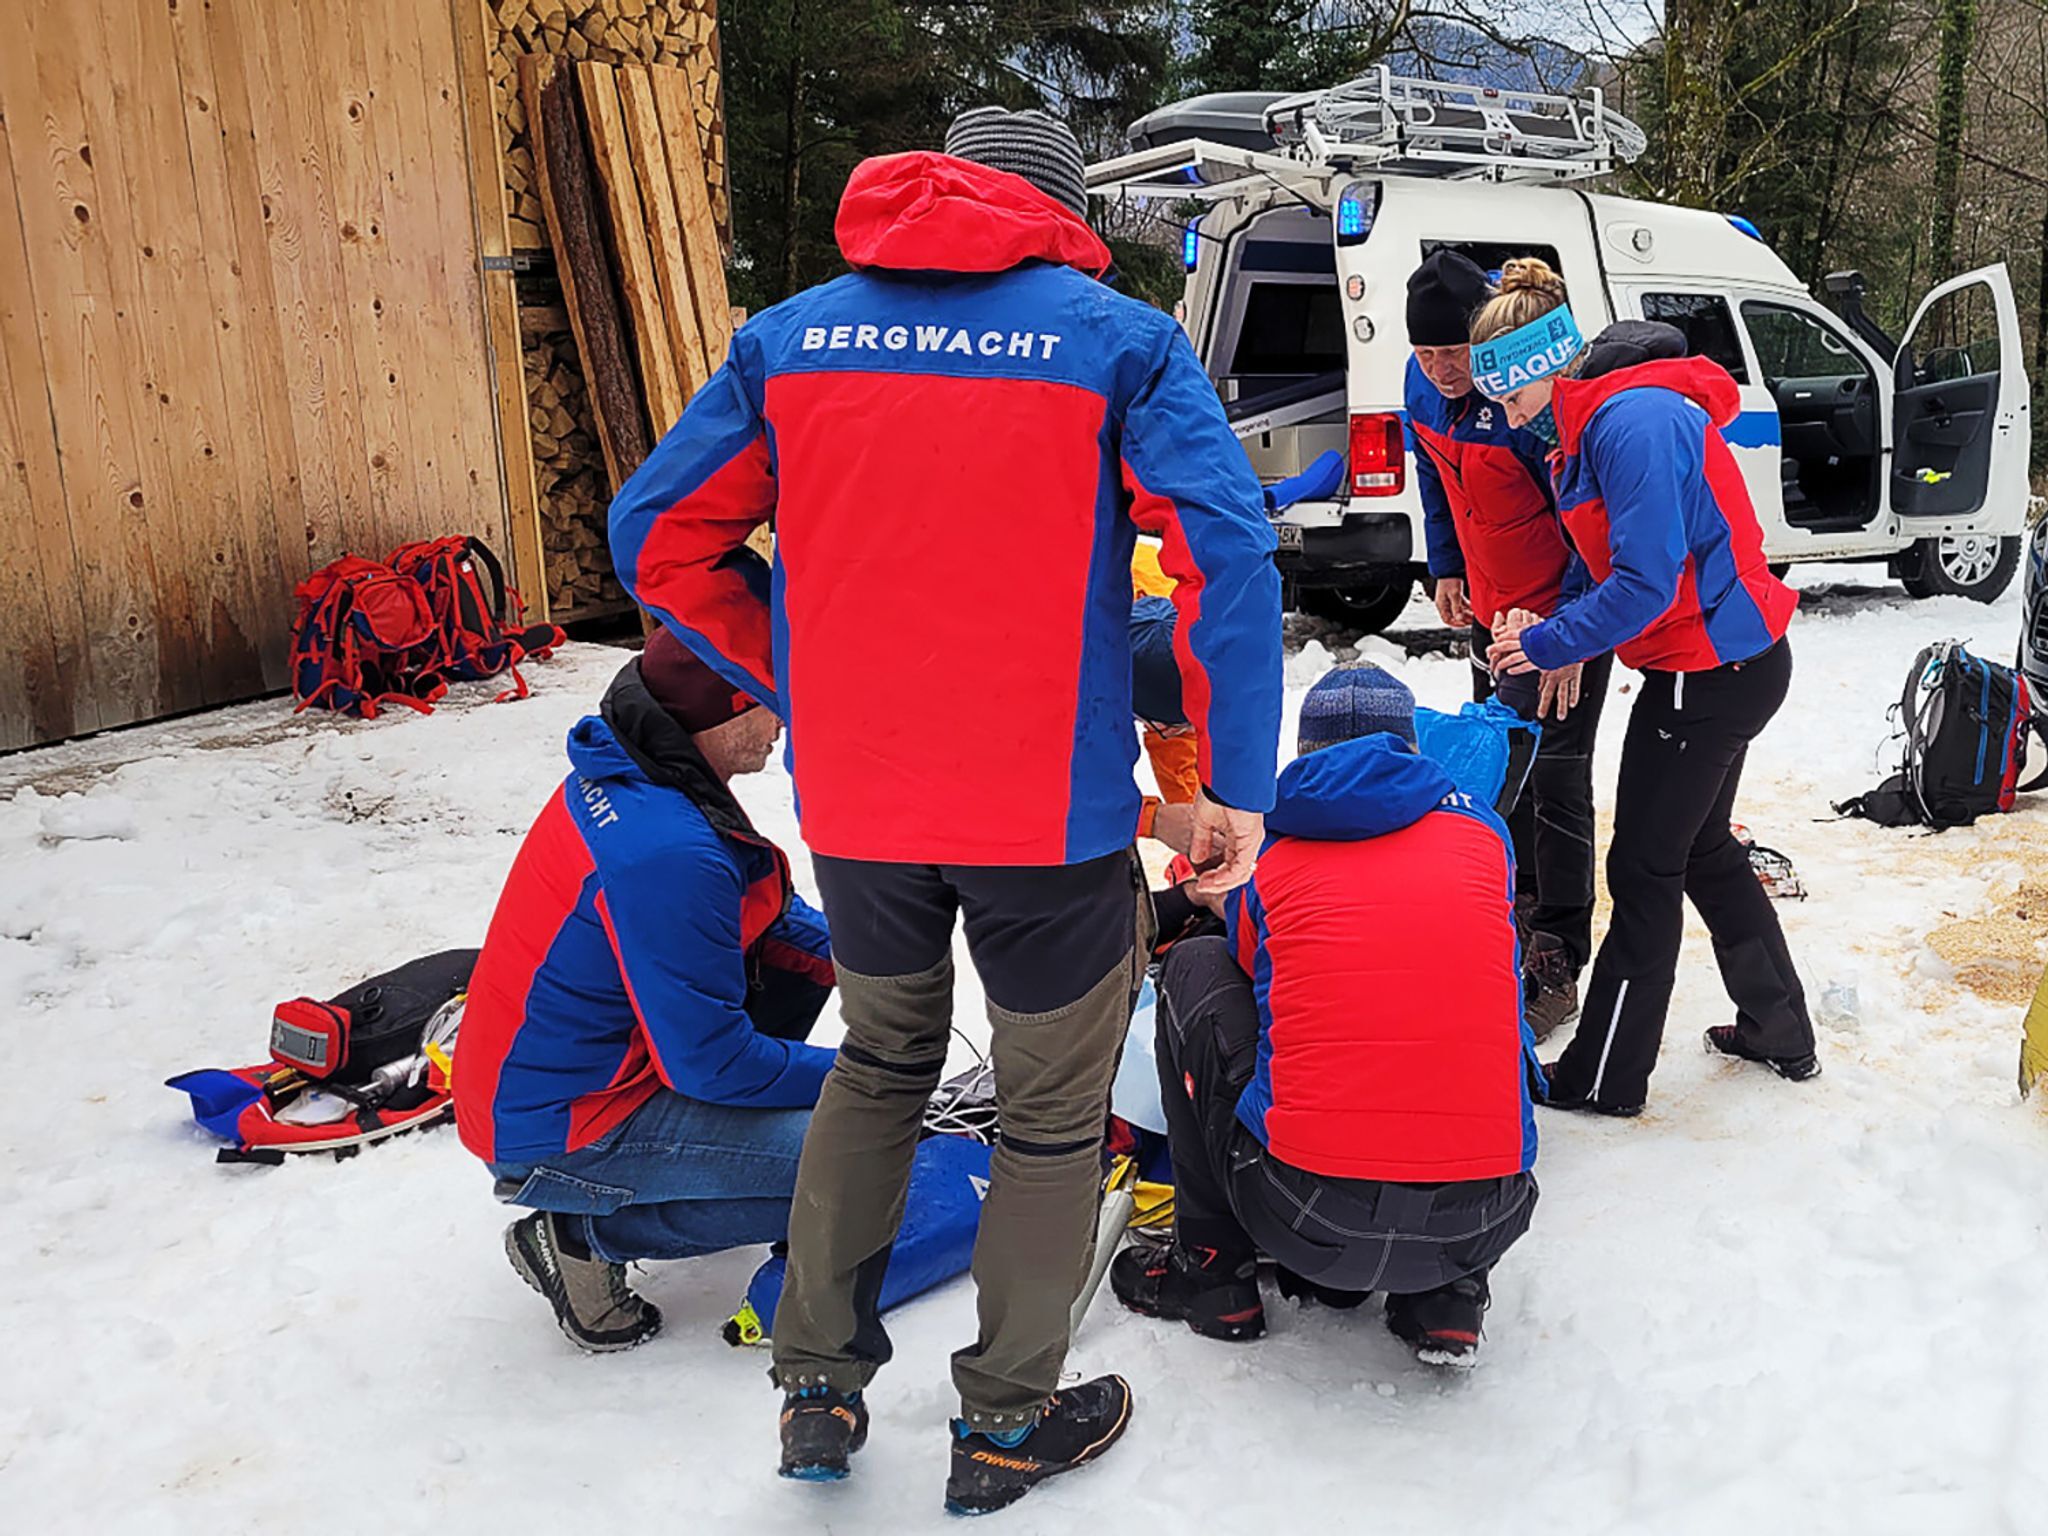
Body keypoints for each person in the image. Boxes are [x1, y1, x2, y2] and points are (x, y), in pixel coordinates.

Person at [607, 105, 1283, 1514]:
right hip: (1049, 818)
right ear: (1056, 215)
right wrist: (1231, 777)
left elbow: (657, 537)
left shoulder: (789, 341)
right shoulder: (1117, 342)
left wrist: (794, 671)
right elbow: (1222, 552)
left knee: (881, 1063)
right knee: (1048, 1117)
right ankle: (1005, 1420)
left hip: (863, 806)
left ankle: (815, 1386)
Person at [1110, 663, 1540, 1366]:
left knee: (1195, 967)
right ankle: (1448, 1298)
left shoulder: (1272, 855)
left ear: (1306, 754)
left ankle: (1213, 1274)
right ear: (1409, 749)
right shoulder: (1484, 837)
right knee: (1466, 997)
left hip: (1303, 1211)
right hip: (1486, 1217)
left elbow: (1253, 972)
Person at [1475, 258, 1817, 1115]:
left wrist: (1547, 645)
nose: (1509, 419)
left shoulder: (1632, 423)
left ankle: (1603, 1077)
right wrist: (1555, 626)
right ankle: (1779, 1027)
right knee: (1700, 850)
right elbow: (1609, 565)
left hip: (1706, 672)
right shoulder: (1597, 424)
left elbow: (1646, 583)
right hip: (1720, 663)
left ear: (1547, 368)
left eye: (1511, 399)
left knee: (1642, 869)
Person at [454, 631, 837, 1352]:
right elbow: (712, 1064)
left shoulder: (647, 773)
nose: (783, 722)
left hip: (557, 1078)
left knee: (811, 1010)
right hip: (565, 1125)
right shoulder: (667, 850)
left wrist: (869, 963)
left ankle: (714, 1163)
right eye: (771, 703)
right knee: (859, 1159)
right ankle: (581, 1235)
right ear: (725, 710)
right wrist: (868, 1077)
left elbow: (761, 914)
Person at [1405, 249, 1613, 1037]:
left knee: (1556, 776)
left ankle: (1559, 947)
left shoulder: (1526, 403)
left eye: (1453, 351)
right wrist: (1446, 565)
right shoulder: (1420, 388)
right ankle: (1513, 910)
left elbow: (1584, 520)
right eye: (1426, 352)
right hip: (1492, 611)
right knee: (1501, 763)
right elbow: (1433, 478)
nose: (1442, 369)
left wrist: (1568, 632)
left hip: (1559, 616)